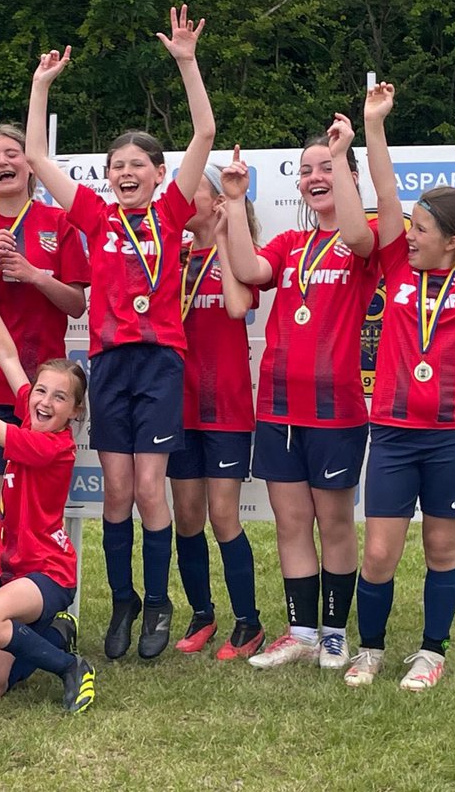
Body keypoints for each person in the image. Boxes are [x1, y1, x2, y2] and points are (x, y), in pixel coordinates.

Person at [24, 5, 216, 660]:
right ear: (106, 177)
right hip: (107, 366)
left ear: (159, 174)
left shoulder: (171, 210)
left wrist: (187, 63)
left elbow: (206, 134)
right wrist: (41, 87)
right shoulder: (93, 215)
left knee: (147, 489)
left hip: (159, 363)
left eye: (138, 164)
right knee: (113, 491)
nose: (126, 172)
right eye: (117, 166)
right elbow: (32, 156)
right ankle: (124, 601)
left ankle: (158, 602)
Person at [344, 84, 455, 691]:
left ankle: (431, 652)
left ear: (453, 239)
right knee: (379, 555)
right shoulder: (395, 266)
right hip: (392, 435)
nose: (409, 234)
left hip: (451, 438)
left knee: (443, 549)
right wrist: (374, 125)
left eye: (421, 229)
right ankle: (369, 650)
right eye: (409, 228)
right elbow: (384, 192)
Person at [224, 111, 379, 670]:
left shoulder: (367, 239)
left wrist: (341, 155)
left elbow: (359, 235)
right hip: (279, 407)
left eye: (327, 168)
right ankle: (302, 633)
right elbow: (245, 266)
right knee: (291, 523)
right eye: (307, 170)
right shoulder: (291, 242)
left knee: (334, 523)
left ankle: (335, 633)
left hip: (336, 409)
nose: (315, 177)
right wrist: (237, 201)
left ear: (348, 176)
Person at [0, 259, 94, 713]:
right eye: (41, 391)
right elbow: (9, 356)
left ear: (74, 413)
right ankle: (52, 635)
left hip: (48, 574)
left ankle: (71, 666)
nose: (45, 401)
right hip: (17, 573)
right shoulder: (31, 415)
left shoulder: (49, 446)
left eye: (60, 397)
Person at [0, 124, 89, 593]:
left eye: (13, 153)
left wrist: (34, 275)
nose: (3, 162)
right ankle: (0, 601)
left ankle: (39, 597)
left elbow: (76, 304)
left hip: (42, 393)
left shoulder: (59, 221)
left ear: (30, 165)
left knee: (35, 509)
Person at [168, 159, 264, 659]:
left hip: (224, 407)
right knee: (187, 516)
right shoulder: (175, 256)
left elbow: (234, 306)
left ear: (218, 204)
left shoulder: (236, 253)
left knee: (224, 516)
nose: (181, 201)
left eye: (192, 195)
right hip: (179, 408)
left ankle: (249, 623)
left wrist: (227, 237)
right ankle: (202, 612)